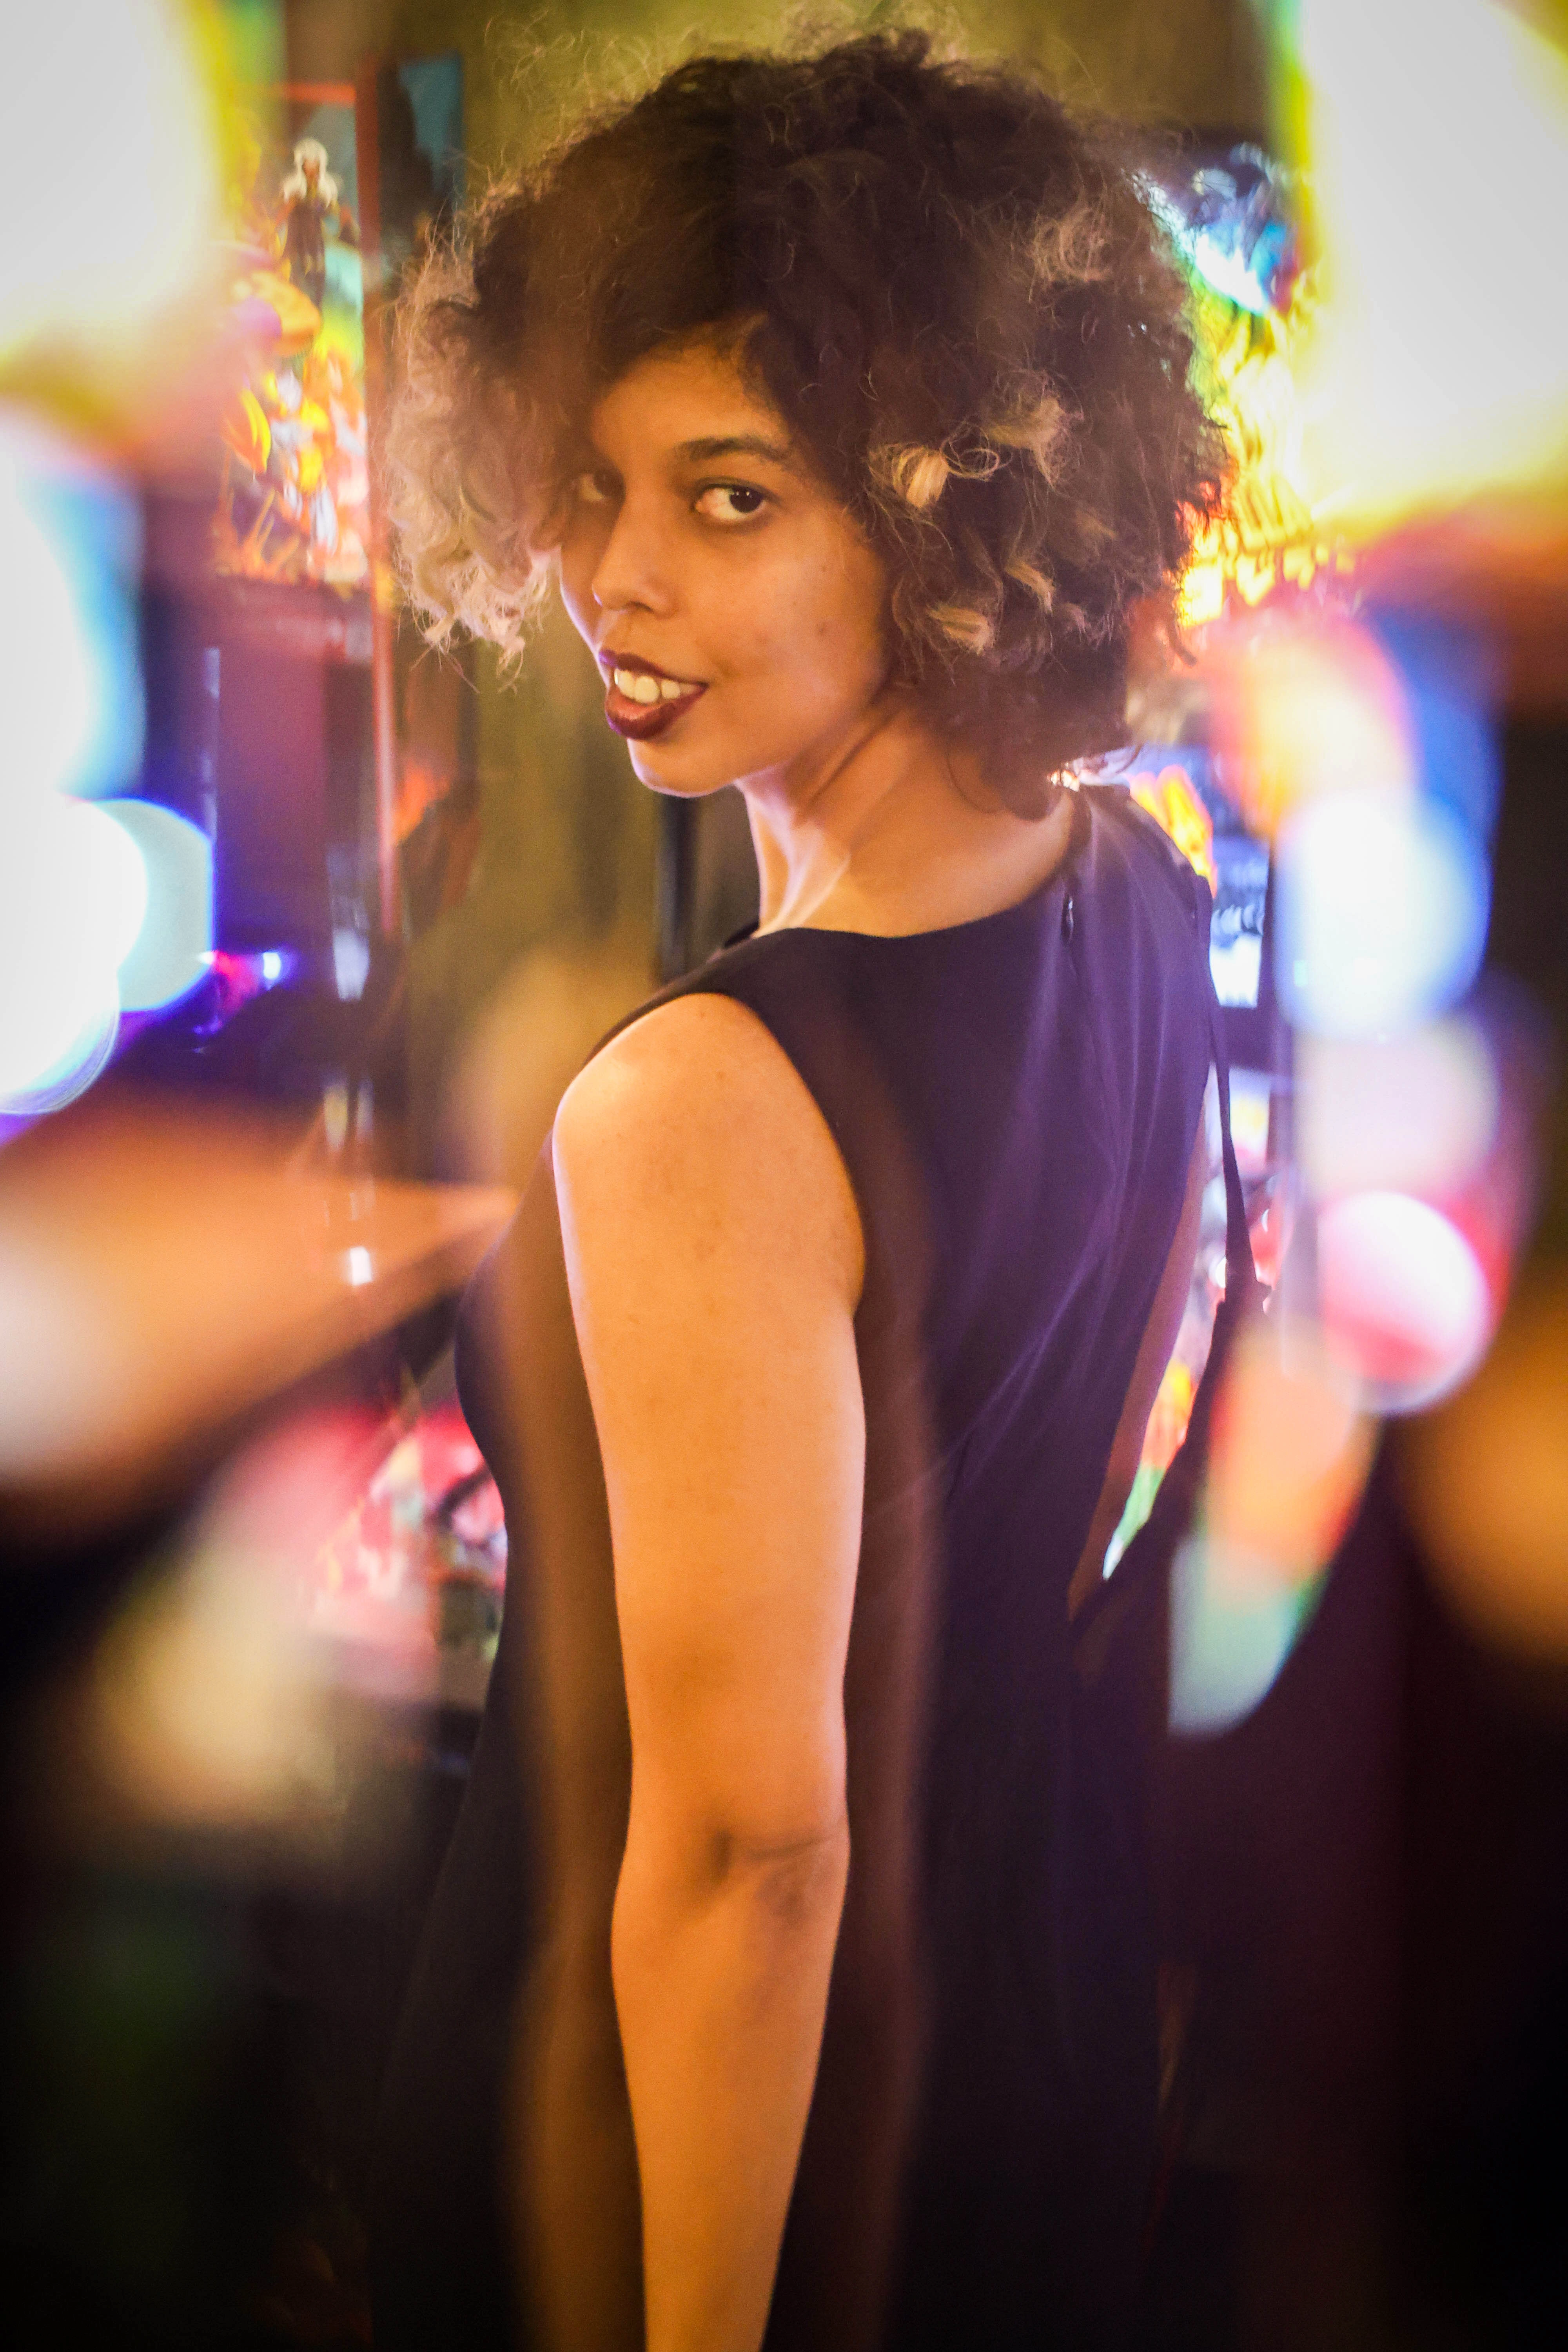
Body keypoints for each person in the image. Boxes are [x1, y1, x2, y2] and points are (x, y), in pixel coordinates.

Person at [371, 31, 1225, 2352]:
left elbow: (751, 1856)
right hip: (1023, 2051)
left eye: (732, 498)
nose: (615, 582)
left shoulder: (705, 1098)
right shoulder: (1136, 896)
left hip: (703, 2181)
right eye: (590, 487)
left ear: (959, 527)